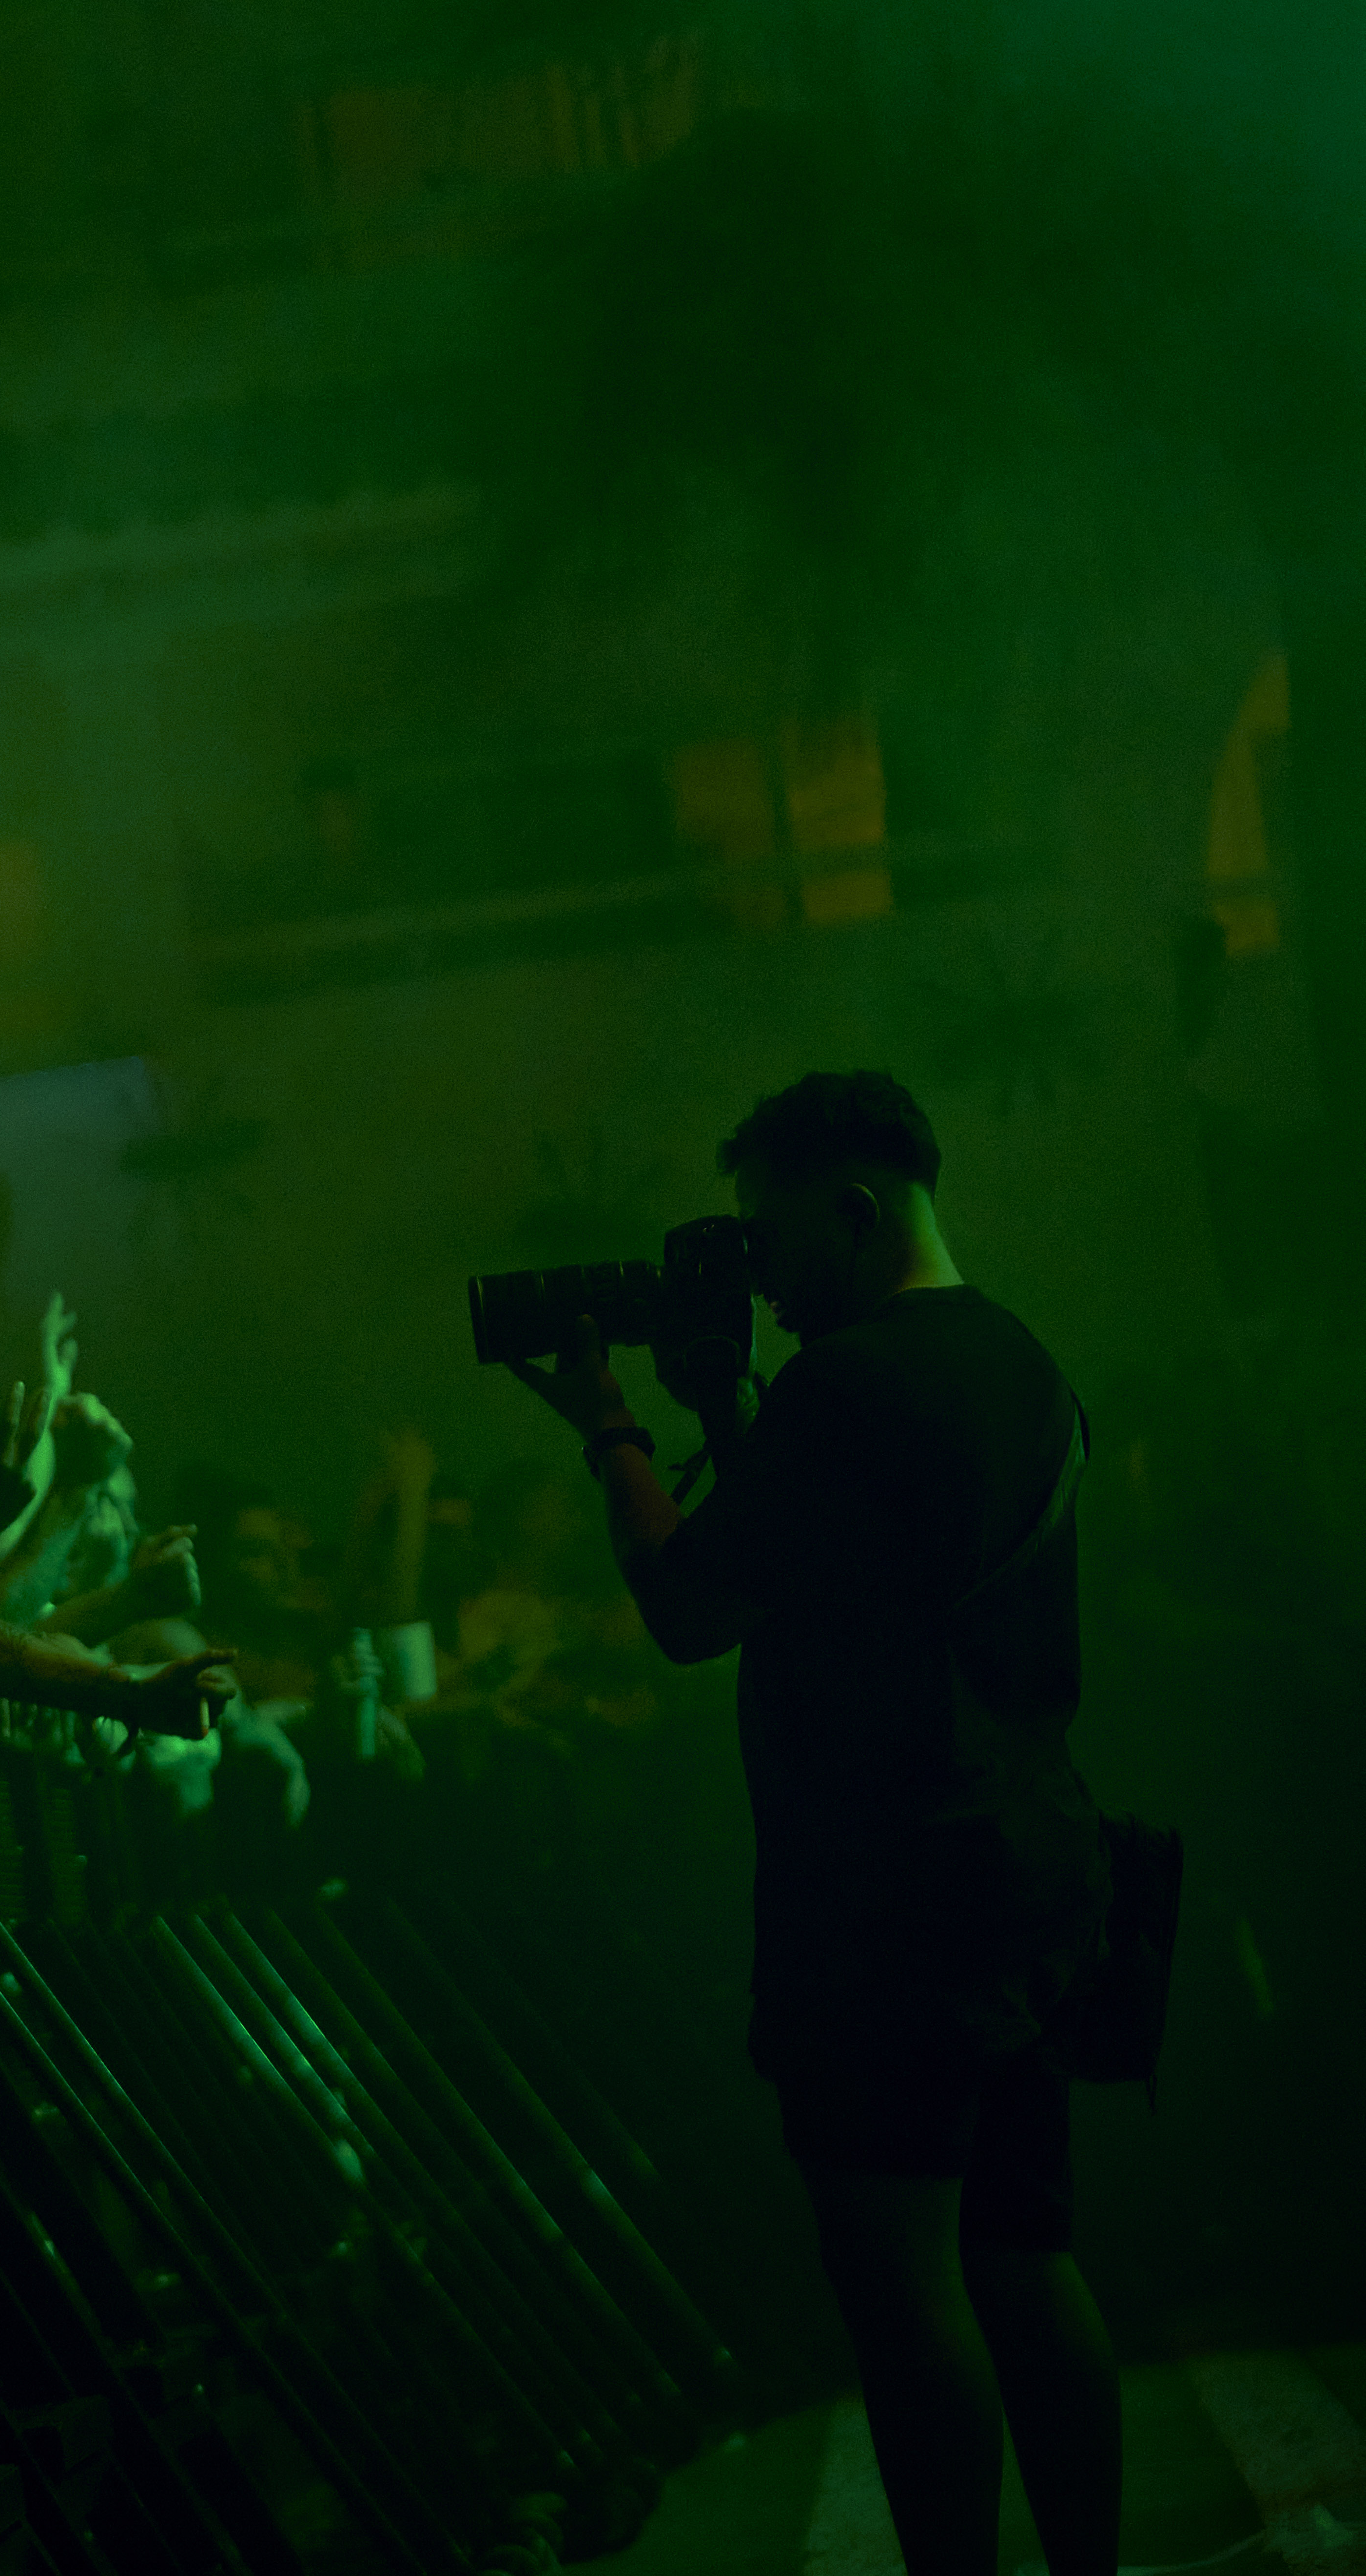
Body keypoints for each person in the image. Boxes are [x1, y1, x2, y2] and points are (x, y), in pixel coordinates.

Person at [506, 1071, 1116, 2576]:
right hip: (1034, 1861)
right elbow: (855, 1558)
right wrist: (728, 1406)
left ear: (853, 1211)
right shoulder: (1018, 1360)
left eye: (766, 1239)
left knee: (901, 2277)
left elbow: (690, 1604)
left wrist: (609, 1427)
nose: (756, 1278)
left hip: (889, 1893)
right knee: (1028, 2251)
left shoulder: (849, 1389)